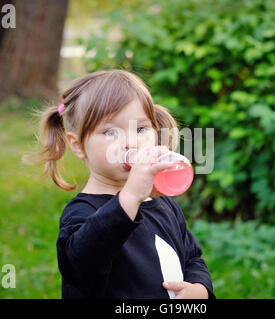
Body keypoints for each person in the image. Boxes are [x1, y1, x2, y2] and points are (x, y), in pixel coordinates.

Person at [29, 69, 215, 299]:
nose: (130, 143)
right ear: (77, 145)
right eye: (110, 132)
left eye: (140, 129)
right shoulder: (82, 213)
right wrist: (129, 197)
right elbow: (79, 269)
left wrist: (200, 288)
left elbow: (192, 257)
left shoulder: (164, 205)